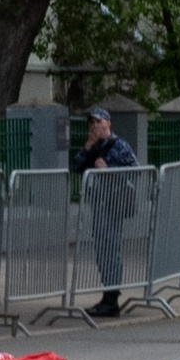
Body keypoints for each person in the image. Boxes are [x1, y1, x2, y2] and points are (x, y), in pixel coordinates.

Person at [76, 103, 140, 316]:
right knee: (101, 249)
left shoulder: (119, 145)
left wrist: (110, 169)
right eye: (91, 123)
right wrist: (88, 145)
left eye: (98, 122)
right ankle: (107, 293)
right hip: (99, 204)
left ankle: (112, 297)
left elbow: (136, 170)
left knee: (111, 249)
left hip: (114, 204)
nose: (94, 126)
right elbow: (76, 167)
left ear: (108, 123)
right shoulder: (93, 147)